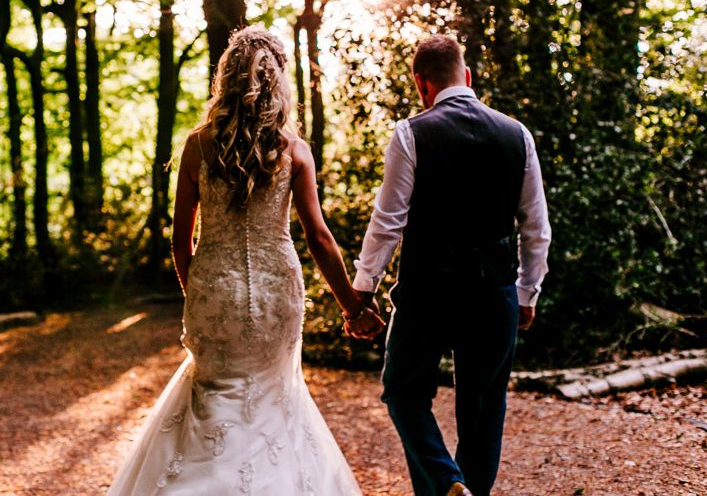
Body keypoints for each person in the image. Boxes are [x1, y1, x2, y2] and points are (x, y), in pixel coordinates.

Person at [107, 26, 384, 495]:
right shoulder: (294, 150)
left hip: (215, 288)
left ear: (227, 79)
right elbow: (318, 237)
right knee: (274, 398)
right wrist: (351, 306)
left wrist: (196, 292)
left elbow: (180, 240)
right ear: (278, 82)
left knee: (213, 395)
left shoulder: (198, 145)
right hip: (277, 292)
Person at [349, 34, 551, 496]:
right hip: (495, 289)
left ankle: (445, 483)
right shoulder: (516, 134)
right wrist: (527, 292)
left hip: (428, 291)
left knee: (404, 390)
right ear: (468, 76)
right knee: (483, 407)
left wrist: (364, 290)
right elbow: (535, 226)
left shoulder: (411, 133)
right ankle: (464, 488)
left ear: (422, 84)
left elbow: (388, 223)